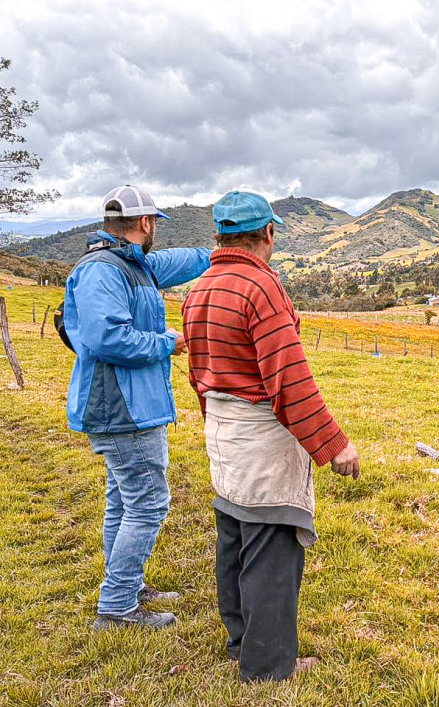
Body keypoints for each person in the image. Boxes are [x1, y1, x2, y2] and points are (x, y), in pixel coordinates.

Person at [182, 190, 360, 682]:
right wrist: (334, 444)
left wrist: (214, 423)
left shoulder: (200, 288)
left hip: (223, 433)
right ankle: (268, 665)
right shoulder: (260, 289)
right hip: (260, 436)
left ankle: (241, 641)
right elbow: (289, 380)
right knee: (271, 552)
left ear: (220, 234)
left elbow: (199, 371)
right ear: (268, 233)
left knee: (235, 541)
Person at [63, 185, 211, 630]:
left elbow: (182, 261)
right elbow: (109, 339)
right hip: (120, 407)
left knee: (122, 501)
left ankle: (126, 584)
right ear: (146, 224)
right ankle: (117, 606)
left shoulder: (133, 266)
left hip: (126, 404)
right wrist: (171, 342)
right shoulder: (103, 272)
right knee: (148, 501)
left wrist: (220, 251)